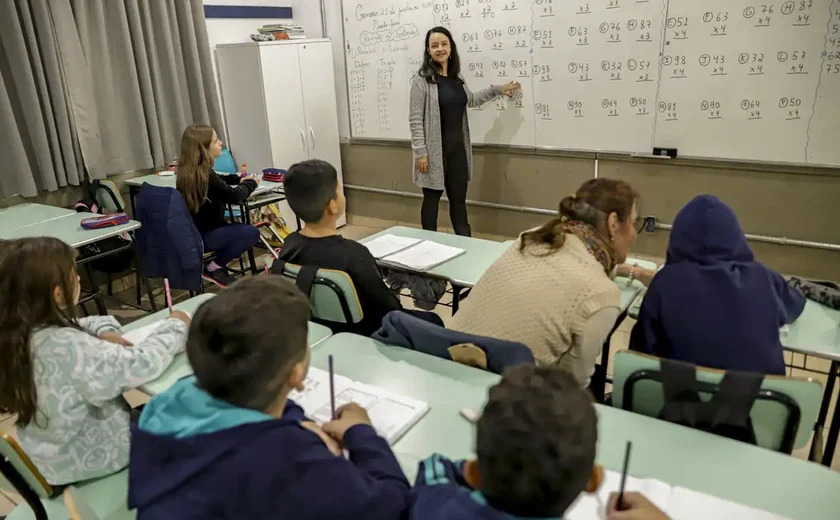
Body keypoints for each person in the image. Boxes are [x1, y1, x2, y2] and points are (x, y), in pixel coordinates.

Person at [128, 277, 411, 519]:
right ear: (297, 374)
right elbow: (393, 505)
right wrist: (361, 433)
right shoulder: (287, 460)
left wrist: (293, 422)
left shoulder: (170, 401)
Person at [0, 237, 190, 486]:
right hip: (96, 455)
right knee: (189, 425)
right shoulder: (66, 346)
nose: (79, 279)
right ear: (58, 293)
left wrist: (105, 331)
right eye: (73, 273)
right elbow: (142, 363)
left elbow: (83, 324)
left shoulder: (21, 330)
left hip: (49, 452)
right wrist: (177, 322)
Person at [449, 179, 644, 386]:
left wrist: (625, 270)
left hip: (444, 365)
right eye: (634, 223)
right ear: (613, 224)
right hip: (502, 399)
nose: (633, 233)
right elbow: (571, 385)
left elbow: (570, 265)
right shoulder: (601, 295)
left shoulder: (532, 238)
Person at [629, 195, 806, 375]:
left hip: (679, 398)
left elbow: (640, 355)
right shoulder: (763, 277)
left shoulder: (664, 283)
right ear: (735, 235)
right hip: (760, 400)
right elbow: (795, 307)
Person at [409, 366, 604, 518]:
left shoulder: (437, 508)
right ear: (593, 480)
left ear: (474, 475)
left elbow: (434, 467)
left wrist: (476, 467)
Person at [409, 26, 521, 237]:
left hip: (458, 151)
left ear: (451, 47)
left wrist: (498, 89)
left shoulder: (456, 78)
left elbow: (471, 100)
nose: (440, 49)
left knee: (459, 203)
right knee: (431, 201)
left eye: (444, 44)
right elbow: (415, 119)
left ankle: (466, 243)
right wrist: (420, 152)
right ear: (428, 50)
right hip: (433, 154)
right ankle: (428, 244)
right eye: (435, 45)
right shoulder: (422, 80)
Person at [275, 159, 403, 335]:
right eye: (340, 190)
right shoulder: (354, 254)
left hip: (317, 332)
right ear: (333, 206)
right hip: (366, 336)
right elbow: (391, 309)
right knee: (433, 321)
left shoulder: (288, 245)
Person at [176, 124, 260, 288]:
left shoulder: (189, 172)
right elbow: (235, 196)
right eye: (215, 141)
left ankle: (212, 266)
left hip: (194, 233)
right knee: (251, 233)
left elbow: (220, 181)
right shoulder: (206, 175)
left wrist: (237, 180)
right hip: (205, 236)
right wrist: (252, 183)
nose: (221, 143)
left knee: (237, 229)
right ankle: (213, 267)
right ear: (203, 148)